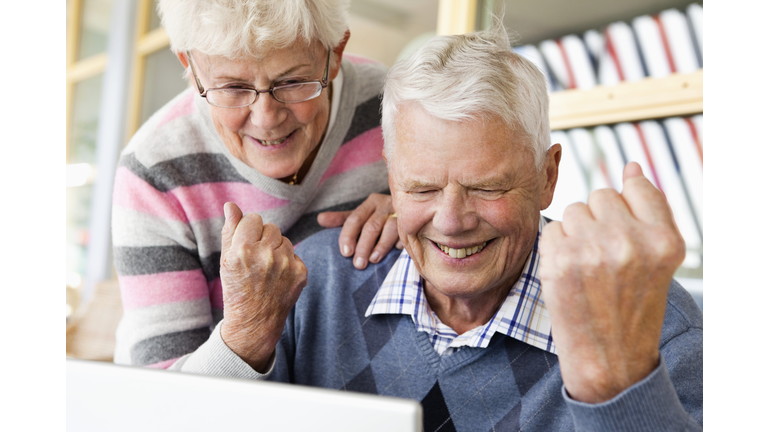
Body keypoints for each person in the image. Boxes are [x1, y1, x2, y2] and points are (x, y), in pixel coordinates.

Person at [167, 24, 703, 431]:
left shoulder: (652, 323)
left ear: (547, 176)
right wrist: (242, 342)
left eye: (487, 187)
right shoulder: (318, 281)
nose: (452, 221)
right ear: (390, 178)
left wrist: (616, 387)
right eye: (422, 188)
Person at [111, 0, 401, 369]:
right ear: (191, 66)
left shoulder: (394, 110)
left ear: (336, 52)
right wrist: (248, 330)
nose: (266, 119)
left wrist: (418, 209)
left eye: (293, 81)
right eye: (233, 87)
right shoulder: (154, 171)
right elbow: (165, 399)